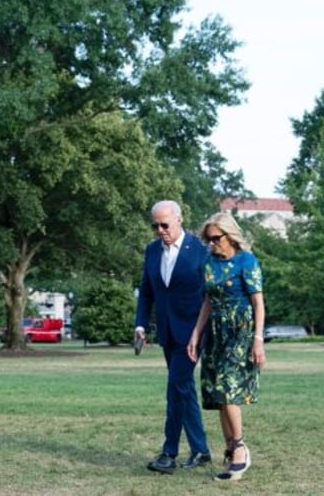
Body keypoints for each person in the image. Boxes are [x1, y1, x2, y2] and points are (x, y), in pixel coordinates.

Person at [187, 212, 267, 482]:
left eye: (215, 239)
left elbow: (258, 303)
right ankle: (232, 450)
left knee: (227, 387)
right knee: (217, 394)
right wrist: (196, 335)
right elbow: (208, 302)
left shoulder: (247, 260)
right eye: (207, 239)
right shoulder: (209, 263)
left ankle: (241, 449)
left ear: (230, 236)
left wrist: (258, 340)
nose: (211, 244)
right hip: (217, 332)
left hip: (241, 331)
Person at [135, 200, 212, 474]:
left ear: (179, 220)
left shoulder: (200, 251)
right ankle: (201, 449)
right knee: (184, 389)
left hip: (193, 333)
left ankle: (168, 453)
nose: (159, 230)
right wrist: (140, 325)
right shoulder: (152, 250)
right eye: (154, 225)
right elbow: (146, 291)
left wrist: (199, 333)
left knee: (175, 387)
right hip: (167, 332)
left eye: (164, 224)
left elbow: (209, 296)